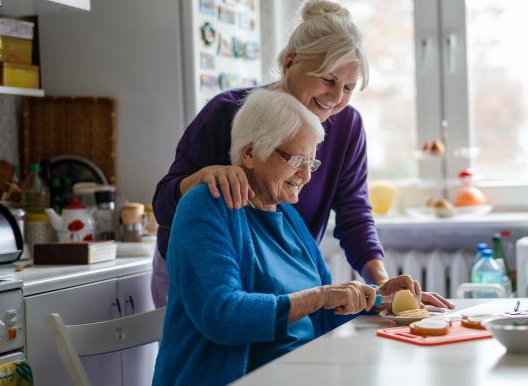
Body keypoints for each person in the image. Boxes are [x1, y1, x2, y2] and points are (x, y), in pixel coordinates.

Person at [152, 0, 452, 309]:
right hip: (203, 278)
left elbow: (354, 214)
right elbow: (163, 205)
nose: (336, 98)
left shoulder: (347, 126)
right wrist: (200, 178)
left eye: (348, 87)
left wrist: (380, 283)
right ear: (289, 62)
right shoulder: (227, 112)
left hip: (278, 281)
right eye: (328, 80)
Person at [152, 89, 411, 385]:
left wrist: (378, 299)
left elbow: (322, 316)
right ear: (250, 153)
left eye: (311, 163)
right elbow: (222, 315)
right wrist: (320, 296)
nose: (306, 175)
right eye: (296, 159)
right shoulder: (206, 206)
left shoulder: (288, 216)